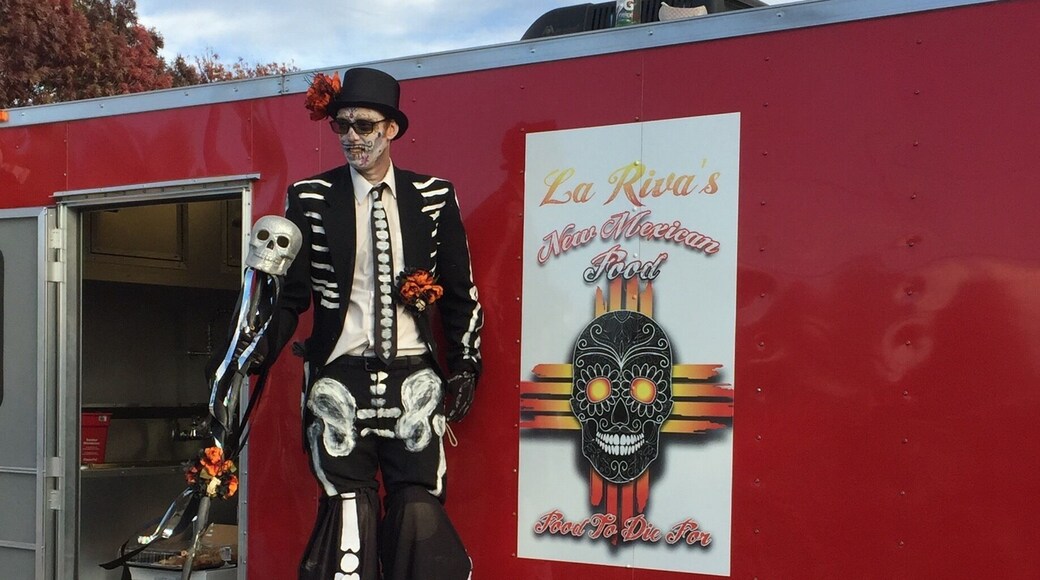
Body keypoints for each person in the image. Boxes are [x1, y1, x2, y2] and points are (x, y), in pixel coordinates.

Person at [270, 67, 483, 580]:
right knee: (347, 512)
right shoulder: (310, 198)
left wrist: (468, 360)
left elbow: (460, 292)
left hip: (415, 378)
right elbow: (289, 298)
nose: (350, 137)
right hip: (339, 377)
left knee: (418, 510)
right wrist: (248, 354)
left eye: (363, 126)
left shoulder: (433, 197)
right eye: (341, 126)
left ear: (391, 129)